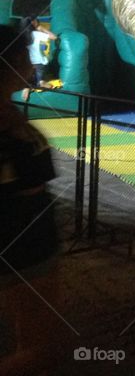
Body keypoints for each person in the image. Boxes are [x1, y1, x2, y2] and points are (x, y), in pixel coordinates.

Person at [0, 25, 64, 374]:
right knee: (40, 352)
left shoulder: (11, 113)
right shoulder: (6, 122)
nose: (30, 60)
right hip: (22, 243)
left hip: (29, 241)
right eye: (24, 54)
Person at [25, 17, 57, 86]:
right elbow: (54, 37)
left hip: (27, 63)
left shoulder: (22, 35)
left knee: (29, 80)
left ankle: (28, 87)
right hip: (38, 62)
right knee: (40, 81)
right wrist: (42, 29)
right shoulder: (36, 34)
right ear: (33, 23)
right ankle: (41, 82)